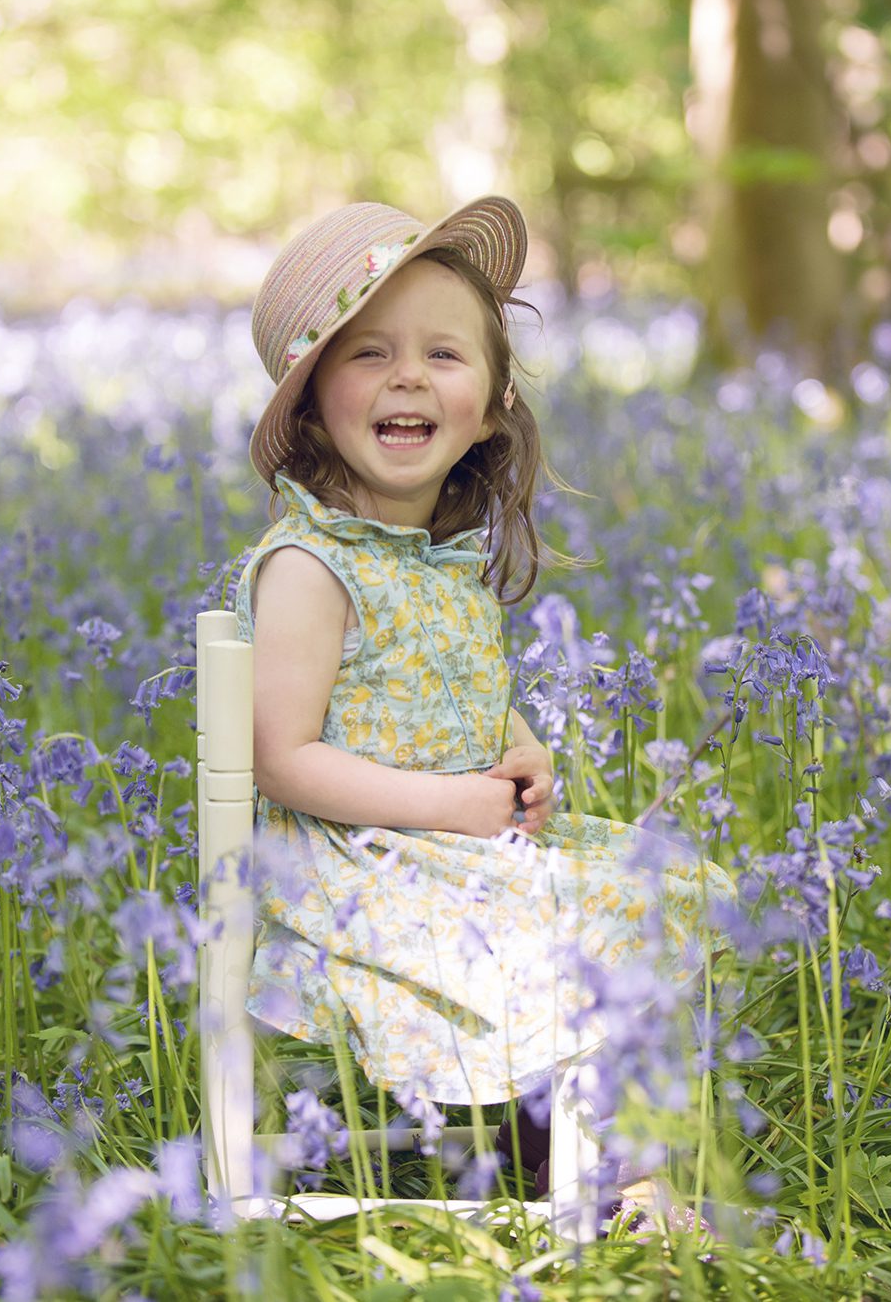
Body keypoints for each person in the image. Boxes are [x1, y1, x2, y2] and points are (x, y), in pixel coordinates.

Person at [226, 196, 733, 1229]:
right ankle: (598, 1171)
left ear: (492, 403)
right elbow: (279, 758)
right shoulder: (307, 569)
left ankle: (562, 1139)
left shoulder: (443, 564)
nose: (407, 375)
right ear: (315, 404)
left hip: (449, 841)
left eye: (441, 355)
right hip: (348, 862)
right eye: (368, 353)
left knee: (655, 884)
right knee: (559, 925)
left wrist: (519, 753)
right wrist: (450, 807)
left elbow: (466, 702)